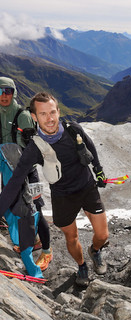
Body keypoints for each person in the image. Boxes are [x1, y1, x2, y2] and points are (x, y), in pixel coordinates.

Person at [0, 92, 109, 286]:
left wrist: (98, 170)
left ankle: (95, 250)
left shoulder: (72, 129)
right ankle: (82, 266)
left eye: (52, 112)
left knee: (102, 235)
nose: (49, 119)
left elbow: (89, 144)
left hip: (87, 187)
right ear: (34, 117)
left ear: (58, 112)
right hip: (62, 196)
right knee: (71, 237)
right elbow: (15, 182)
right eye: (43, 114)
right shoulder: (34, 148)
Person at [0, 77, 52, 271]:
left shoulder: (23, 115)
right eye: (0, 91)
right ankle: (32, 240)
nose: (3, 96)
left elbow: (32, 146)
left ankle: (46, 251)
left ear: (13, 92)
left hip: (27, 172)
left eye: (7, 91)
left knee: (36, 208)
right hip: (9, 170)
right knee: (15, 208)